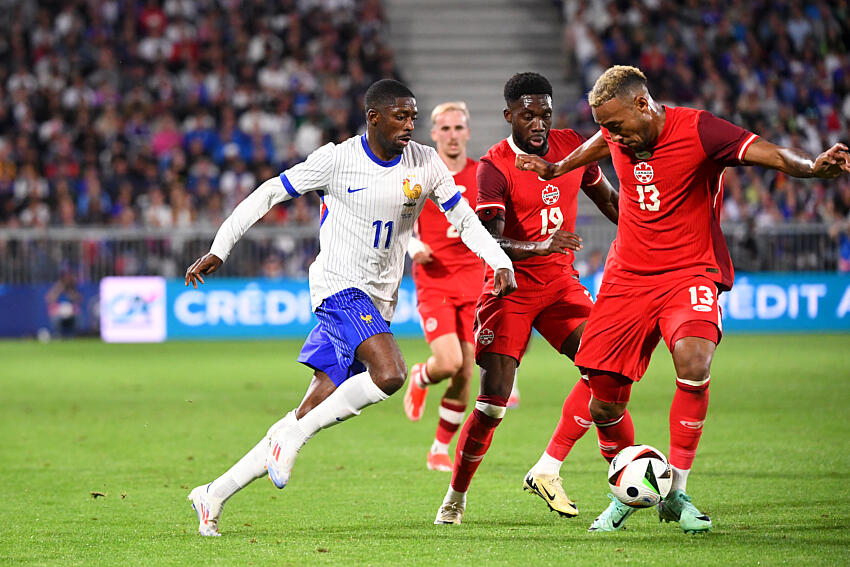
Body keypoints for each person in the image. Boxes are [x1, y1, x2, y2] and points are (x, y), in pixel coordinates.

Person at [516, 65, 850, 533]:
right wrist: (556, 167)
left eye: (616, 125)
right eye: (605, 127)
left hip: (689, 270)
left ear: (642, 104)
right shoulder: (616, 131)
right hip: (626, 277)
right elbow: (599, 143)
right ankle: (626, 493)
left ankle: (677, 493)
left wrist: (813, 167)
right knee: (604, 403)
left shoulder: (700, 129)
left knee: (694, 361)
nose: (612, 136)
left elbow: (769, 154)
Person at [184, 79, 517, 537]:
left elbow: (464, 219)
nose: (409, 125)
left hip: (377, 302)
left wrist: (498, 259)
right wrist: (221, 248)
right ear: (373, 117)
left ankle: (213, 494)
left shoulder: (425, 162)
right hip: (338, 289)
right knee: (391, 373)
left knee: (308, 408)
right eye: (400, 116)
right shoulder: (336, 160)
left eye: (413, 116)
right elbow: (267, 194)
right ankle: (292, 439)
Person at [434, 72, 619, 525]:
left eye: (545, 114)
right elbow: (487, 237)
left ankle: (561, 467)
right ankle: (455, 497)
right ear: (509, 116)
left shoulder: (572, 146)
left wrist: (649, 231)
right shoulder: (494, 166)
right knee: (493, 403)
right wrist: (538, 247)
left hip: (561, 288)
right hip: (510, 292)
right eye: (528, 115)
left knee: (607, 372)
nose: (538, 123)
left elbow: (610, 200)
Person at [401, 101, 484, 472]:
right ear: (434, 134)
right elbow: (395, 221)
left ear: (467, 132)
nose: (452, 136)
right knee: (449, 363)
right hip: (434, 281)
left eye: (458, 128)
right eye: (445, 129)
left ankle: (439, 448)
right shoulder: (419, 173)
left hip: (474, 282)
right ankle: (421, 376)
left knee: (466, 372)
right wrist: (411, 245)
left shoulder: (483, 175)